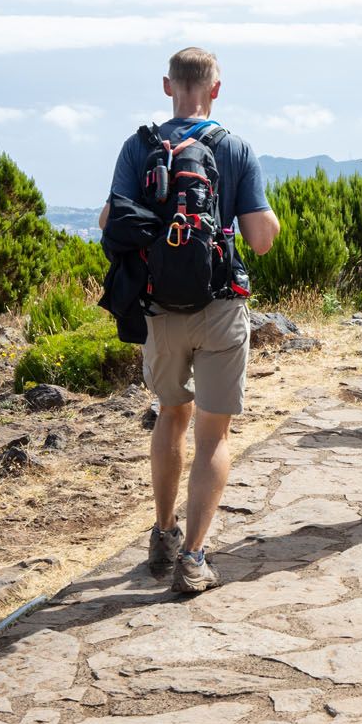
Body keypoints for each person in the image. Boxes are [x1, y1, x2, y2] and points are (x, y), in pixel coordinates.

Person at [98, 47, 280, 593]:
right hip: (221, 306)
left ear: (167, 86)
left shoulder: (140, 146)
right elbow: (261, 240)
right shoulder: (235, 147)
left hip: (159, 310)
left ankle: (163, 531)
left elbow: (110, 220)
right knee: (213, 433)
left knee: (170, 415)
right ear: (216, 90)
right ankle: (196, 559)